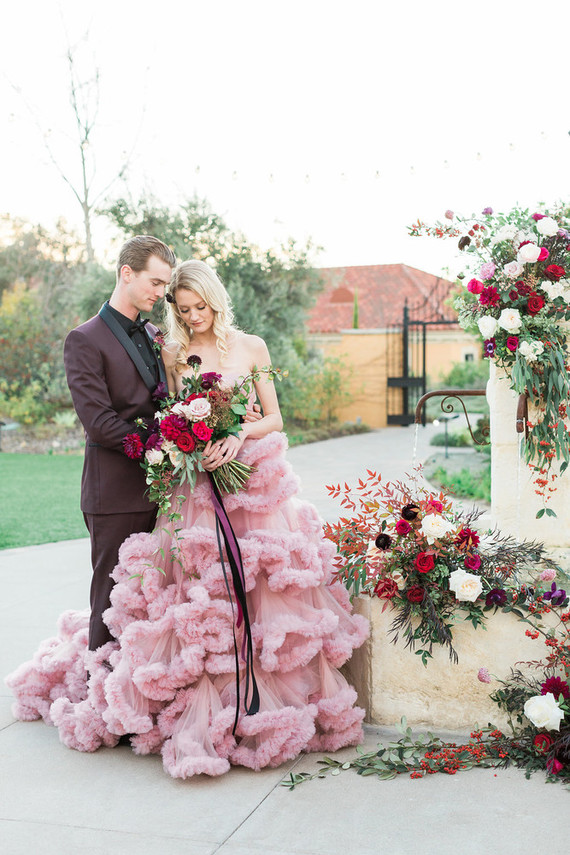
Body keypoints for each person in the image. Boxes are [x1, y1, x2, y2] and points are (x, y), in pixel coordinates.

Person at [6, 259, 369, 778]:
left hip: (252, 480)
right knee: (198, 593)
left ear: (217, 301)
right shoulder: (173, 355)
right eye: (183, 309)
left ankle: (263, 692)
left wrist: (238, 434)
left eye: (201, 307)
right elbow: (170, 415)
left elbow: (274, 416)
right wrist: (190, 438)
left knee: (261, 588)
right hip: (197, 486)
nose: (194, 317)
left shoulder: (253, 346)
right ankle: (196, 691)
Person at [63, 235, 176, 649]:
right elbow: (99, 423)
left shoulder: (154, 333)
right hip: (113, 495)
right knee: (110, 604)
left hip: (162, 493)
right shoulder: (84, 339)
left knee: (151, 602)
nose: (161, 293)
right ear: (127, 273)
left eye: (165, 285)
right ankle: (99, 696)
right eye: (155, 282)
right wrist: (163, 444)